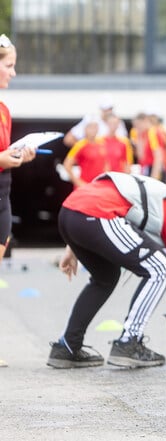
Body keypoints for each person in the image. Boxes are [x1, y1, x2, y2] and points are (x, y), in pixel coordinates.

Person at [47, 172, 166, 369]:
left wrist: (72, 247)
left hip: (70, 213)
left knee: (106, 277)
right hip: (94, 214)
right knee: (160, 267)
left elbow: (98, 198)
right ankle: (129, 342)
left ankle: (67, 347)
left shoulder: (155, 202)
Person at [0, 34, 36, 368]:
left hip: (3, 194)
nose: (13, 72)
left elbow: (4, 156)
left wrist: (21, 155)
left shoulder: (5, 110)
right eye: (9, 65)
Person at [63, 94, 128, 148]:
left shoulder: (119, 123)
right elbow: (68, 139)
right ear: (101, 109)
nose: (108, 111)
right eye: (105, 109)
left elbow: (124, 145)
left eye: (110, 108)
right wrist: (86, 151)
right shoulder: (91, 120)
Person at [63, 117, 111, 187]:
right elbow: (67, 164)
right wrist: (78, 182)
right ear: (85, 129)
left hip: (99, 185)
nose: (93, 130)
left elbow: (106, 163)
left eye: (95, 127)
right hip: (85, 186)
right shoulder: (80, 145)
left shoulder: (102, 144)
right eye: (90, 127)